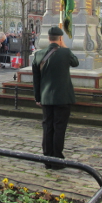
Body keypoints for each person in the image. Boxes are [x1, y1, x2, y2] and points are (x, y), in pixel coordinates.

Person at [32, 26, 79, 169]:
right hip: (63, 97)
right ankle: (57, 158)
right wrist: (63, 45)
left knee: (47, 127)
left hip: (46, 97)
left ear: (48, 38)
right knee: (59, 128)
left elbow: (36, 79)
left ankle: (47, 158)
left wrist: (38, 97)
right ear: (60, 38)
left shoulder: (39, 54)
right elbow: (75, 62)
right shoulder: (65, 52)